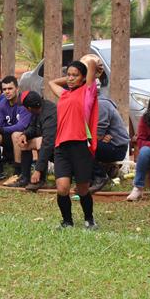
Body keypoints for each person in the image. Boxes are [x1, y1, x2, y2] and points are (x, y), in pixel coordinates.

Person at [48, 55, 101, 229]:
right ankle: (67, 221)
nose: (70, 78)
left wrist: (87, 67)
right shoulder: (64, 94)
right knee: (62, 188)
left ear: (84, 78)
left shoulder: (88, 92)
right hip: (62, 147)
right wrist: (73, 73)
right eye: (68, 75)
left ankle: (89, 219)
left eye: (74, 75)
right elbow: (51, 83)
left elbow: (92, 65)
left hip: (80, 146)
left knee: (83, 189)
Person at [4, 91, 57, 190]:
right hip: (48, 144)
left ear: (29, 108)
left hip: (61, 149)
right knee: (23, 141)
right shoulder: (38, 110)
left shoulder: (50, 113)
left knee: (40, 142)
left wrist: (38, 170)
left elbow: (48, 143)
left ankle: (40, 179)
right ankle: (25, 178)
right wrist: (25, 135)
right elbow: (32, 127)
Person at [89, 91, 130, 193]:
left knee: (82, 146)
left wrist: (96, 137)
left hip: (116, 147)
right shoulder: (88, 103)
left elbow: (97, 135)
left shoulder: (100, 103)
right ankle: (90, 179)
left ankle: (100, 176)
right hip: (105, 143)